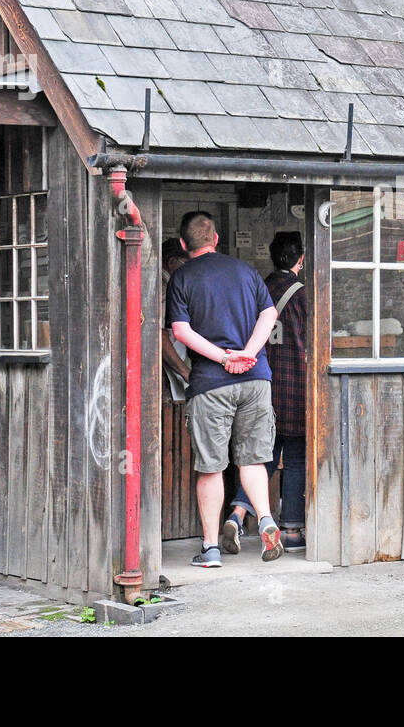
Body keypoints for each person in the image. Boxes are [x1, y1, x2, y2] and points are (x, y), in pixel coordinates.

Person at [166, 211, 283, 565]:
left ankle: (211, 548)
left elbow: (181, 332)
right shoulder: (246, 271)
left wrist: (222, 359)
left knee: (212, 467)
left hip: (211, 383)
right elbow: (269, 314)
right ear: (215, 238)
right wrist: (248, 353)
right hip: (255, 378)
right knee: (253, 461)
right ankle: (264, 520)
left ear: (184, 245)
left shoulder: (181, 277)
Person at [222, 232, 308, 554]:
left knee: (261, 457)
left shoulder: (258, 288)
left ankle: (237, 514)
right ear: (300, 259)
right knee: (296, 457)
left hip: (261, 382)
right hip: (296, 385)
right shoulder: (302, 295)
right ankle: (291, 530)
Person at [160, 238, 191, 402]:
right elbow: (159, 336)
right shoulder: (164, 288)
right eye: (187, 265)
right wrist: (185, 372)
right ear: (172, 262)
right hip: (164, 370)